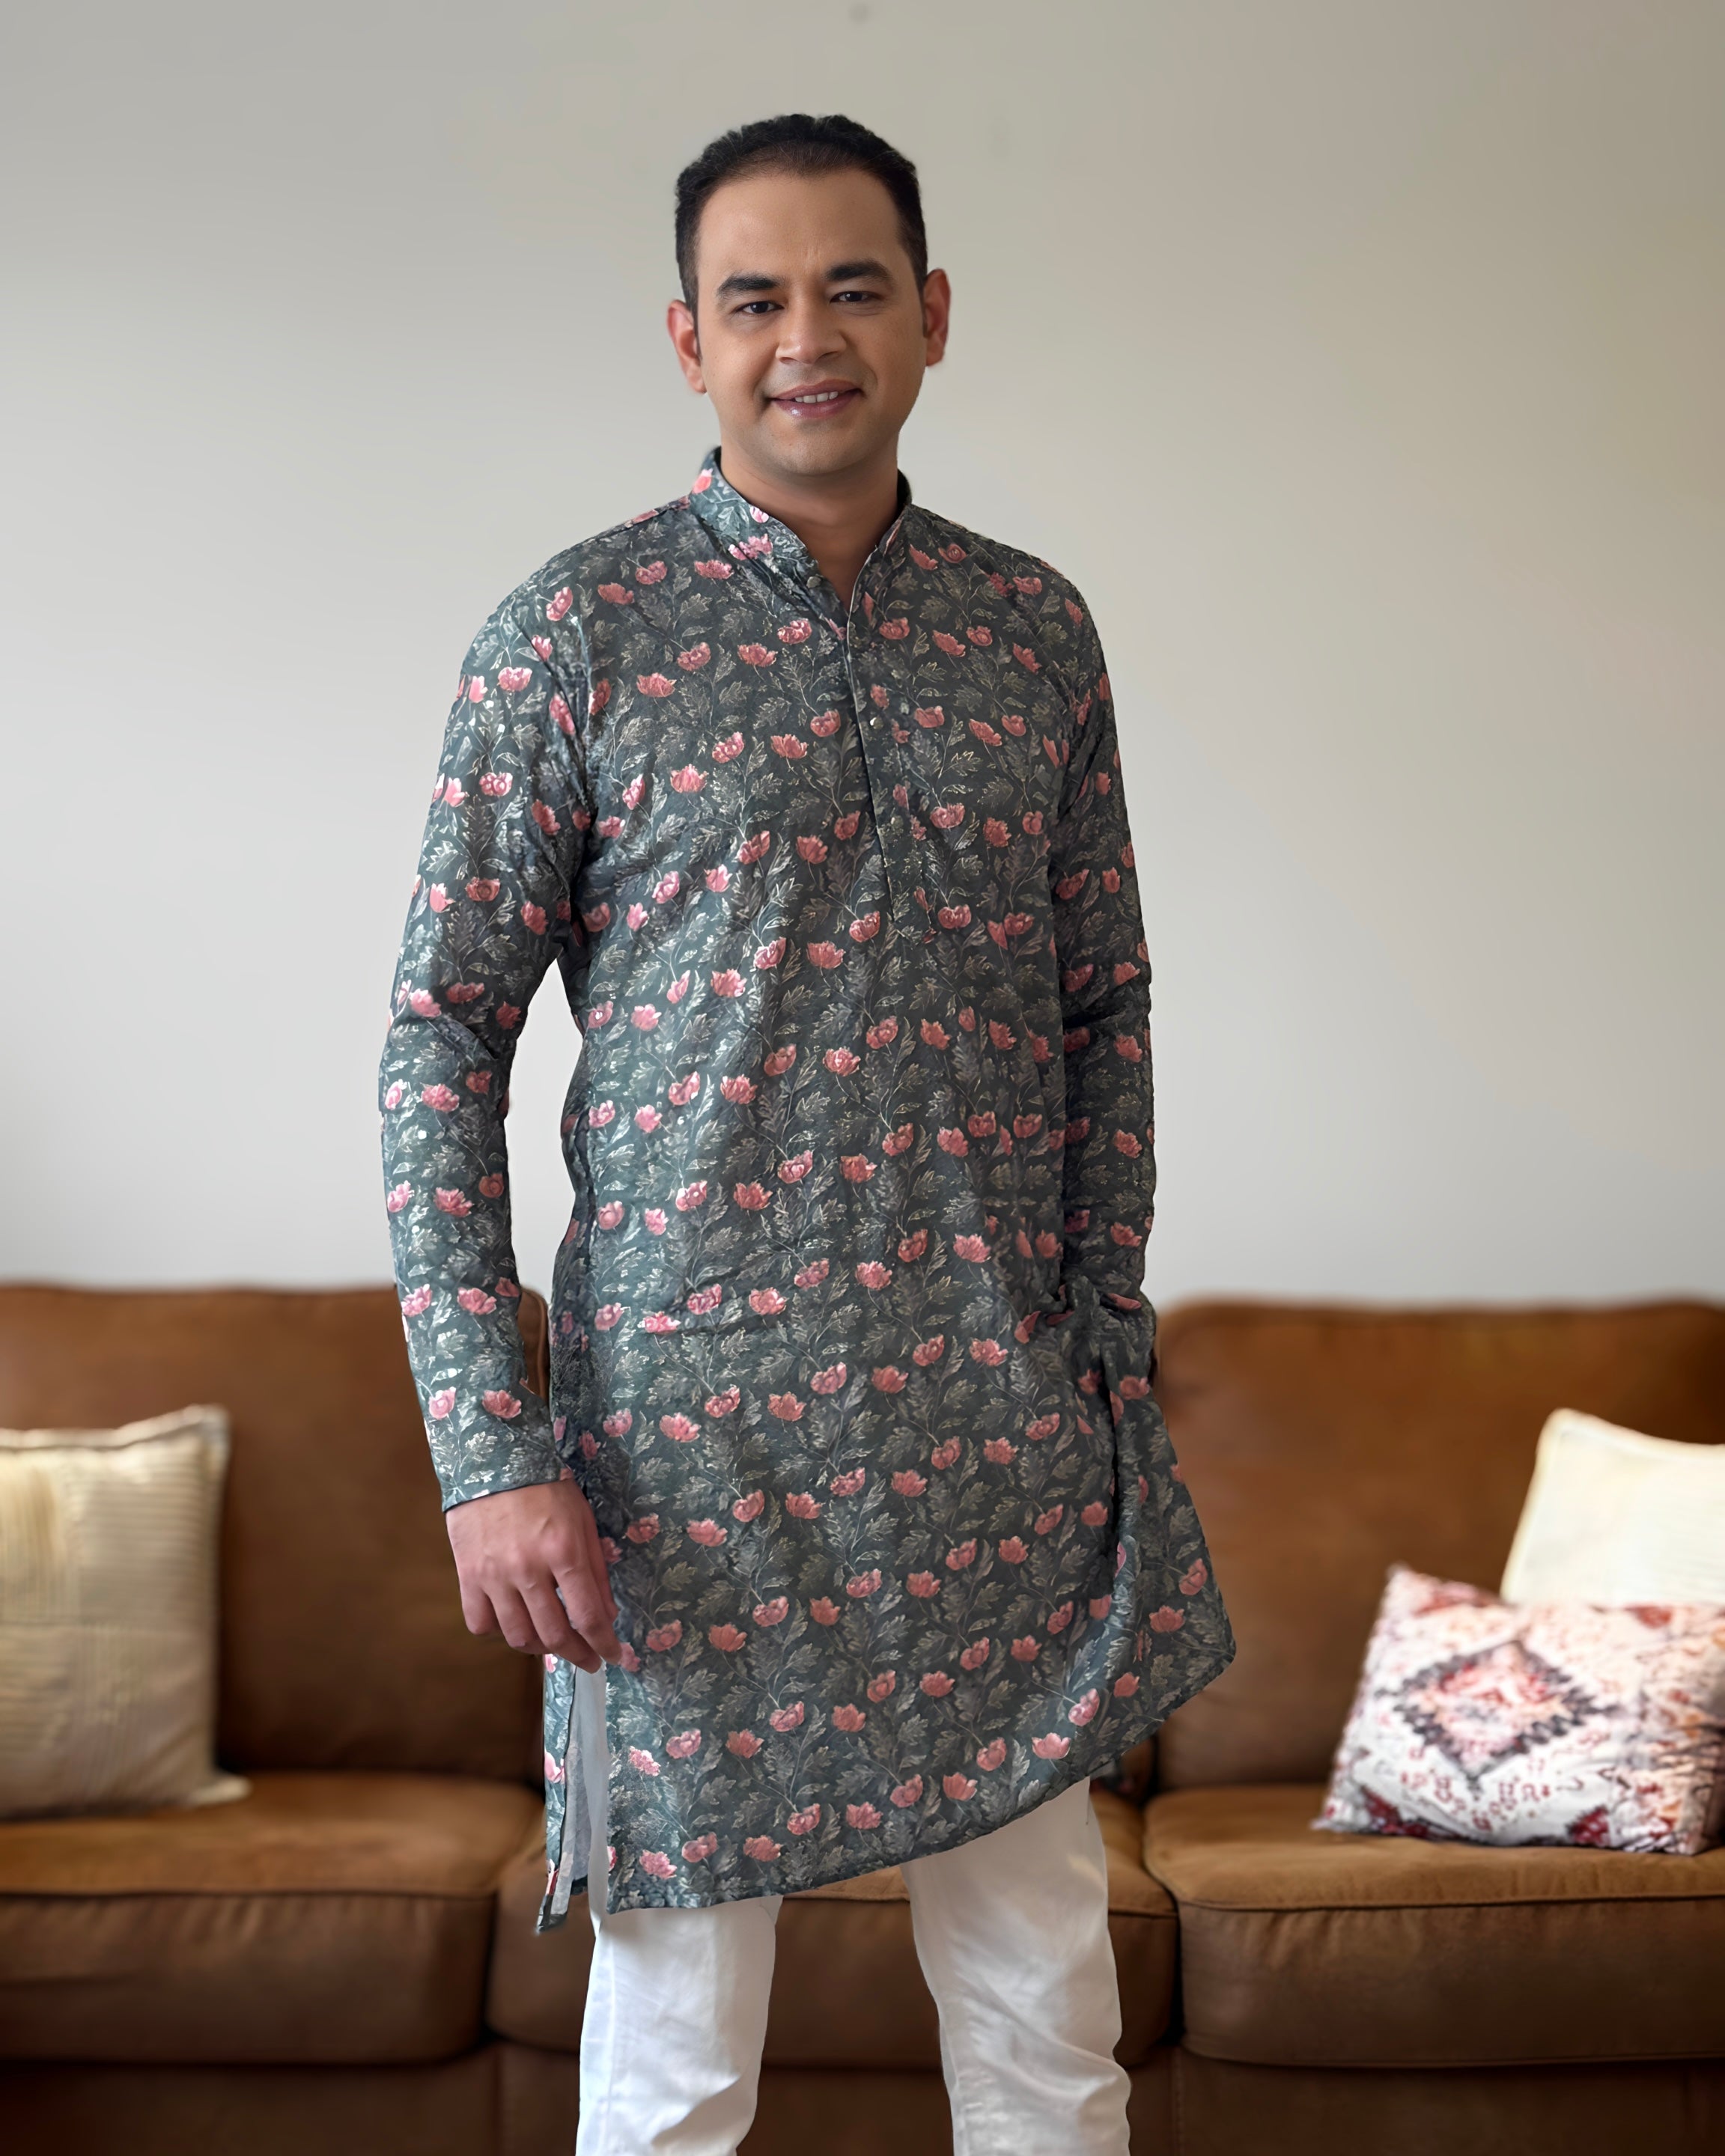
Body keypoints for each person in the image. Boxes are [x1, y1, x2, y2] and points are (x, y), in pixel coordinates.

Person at [380, 110, 1235, 2156]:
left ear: (929, 313)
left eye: (853, 288)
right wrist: (491, 1449)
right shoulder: (575, 635)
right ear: (688, 338)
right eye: (754, 297)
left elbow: (1106, 1009)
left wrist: (1101, 1345)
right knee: (679, 2064)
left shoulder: (1032, 632)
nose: (806, 338)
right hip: (688, 1475)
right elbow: (437, 1043)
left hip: (997, 1446)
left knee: (1047, 2032)